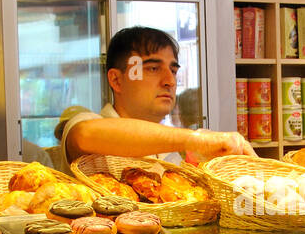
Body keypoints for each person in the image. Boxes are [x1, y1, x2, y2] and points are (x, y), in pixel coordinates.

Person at [59, 26, 254, 166]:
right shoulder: (89, 122)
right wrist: (195, 138)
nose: (169, 81)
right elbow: (85, 135)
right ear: (116, 80)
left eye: (174, 70)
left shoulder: (170, 153)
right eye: (153, 68)